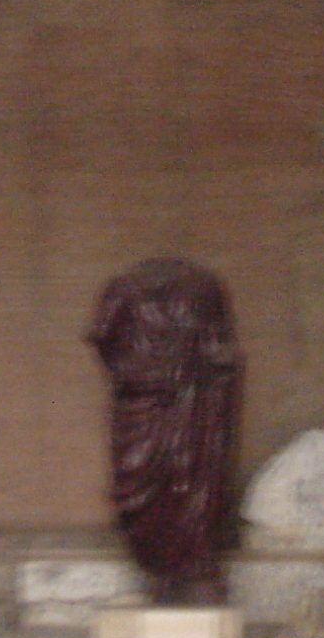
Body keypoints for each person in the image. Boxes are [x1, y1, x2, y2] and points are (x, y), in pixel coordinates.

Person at [87, 258, 242, 605]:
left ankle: (192, 570)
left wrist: (201, 374)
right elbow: (103, 339)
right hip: (143, 403)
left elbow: (221, 353)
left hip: (190, 405)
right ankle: (162, 568)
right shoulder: (123, 289)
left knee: (191, 480)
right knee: (137, 488)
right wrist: (136, 374)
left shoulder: (203, 289)